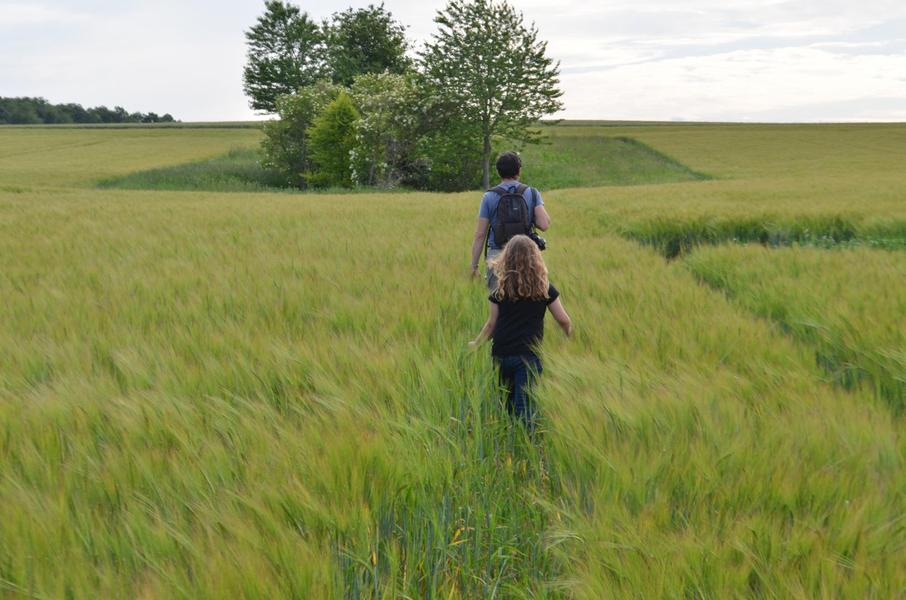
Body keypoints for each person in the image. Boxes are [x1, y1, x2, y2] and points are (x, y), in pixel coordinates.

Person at [468, 235, 572, 429]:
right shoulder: (544, 289)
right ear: (536, 260)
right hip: (528, 357)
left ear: (506, 259)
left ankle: (509, 443)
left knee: (506, 405)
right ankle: (526, 445)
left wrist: (476, 343)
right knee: (524, 409)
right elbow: (563, 319)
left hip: (501, 354)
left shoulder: (500, 289)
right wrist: (568, 335)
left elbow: (491, 325)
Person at [470, 151, 551, 291]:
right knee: (526, 300)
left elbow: (480, 235)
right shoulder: (532, 193)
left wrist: (474, 266)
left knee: (498, 302)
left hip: (497, 257)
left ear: (498, 171)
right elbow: (544, 224)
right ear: (518, 170)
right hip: (526, 256)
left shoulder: (488, 196)